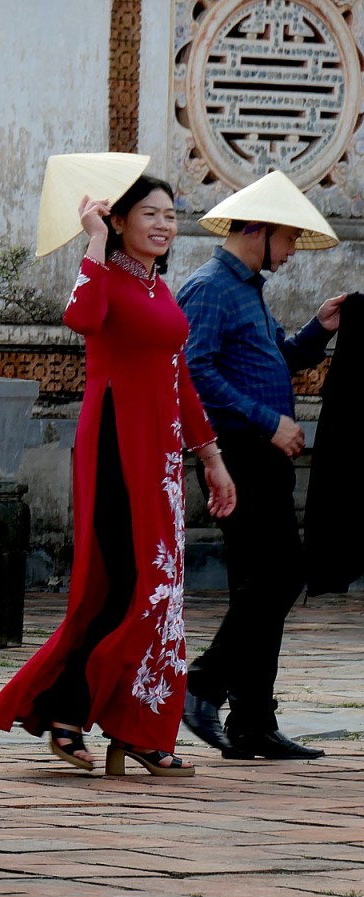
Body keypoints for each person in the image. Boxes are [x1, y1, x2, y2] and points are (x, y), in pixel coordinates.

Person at [0, 172, 236, 778]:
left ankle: (135, 727)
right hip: (118, 445)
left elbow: (179, 379)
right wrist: (92, 240)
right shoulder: (107, 278)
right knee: (133, 585)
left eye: (170, 215)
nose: (164, 224)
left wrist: (211, 458)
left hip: (162, 457)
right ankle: (77, 710)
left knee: (161, 593)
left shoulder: (158, 289)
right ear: (118, 221)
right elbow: (81, 317)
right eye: (149, 213)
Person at [178, 170, 344, 761]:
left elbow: (274, 359)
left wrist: (318, 330)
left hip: (263, 456)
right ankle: (203, 684)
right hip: (238, 454)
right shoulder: (209, 288)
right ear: (258, 229)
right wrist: (267, 420)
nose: (293, 250)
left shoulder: (247, 289)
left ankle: (252, 720)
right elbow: (192, 372)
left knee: (263, 585)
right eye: (289, 237)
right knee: (278, 579)